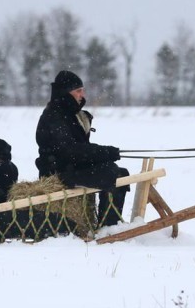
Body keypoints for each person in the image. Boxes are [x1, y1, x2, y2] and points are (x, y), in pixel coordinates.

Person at [35, 70, 129, 227]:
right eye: (78, 91)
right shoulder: (54, 116)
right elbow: (70, 152)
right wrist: (106, 152)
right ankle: (109, 227)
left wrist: (106, 153)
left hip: (71, 167)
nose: (82, 94)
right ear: (66, 93)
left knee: (120, 173)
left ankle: (112, 223)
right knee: (112, 173)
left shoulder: (71, 114)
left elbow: (81, 150)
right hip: (56, 173)